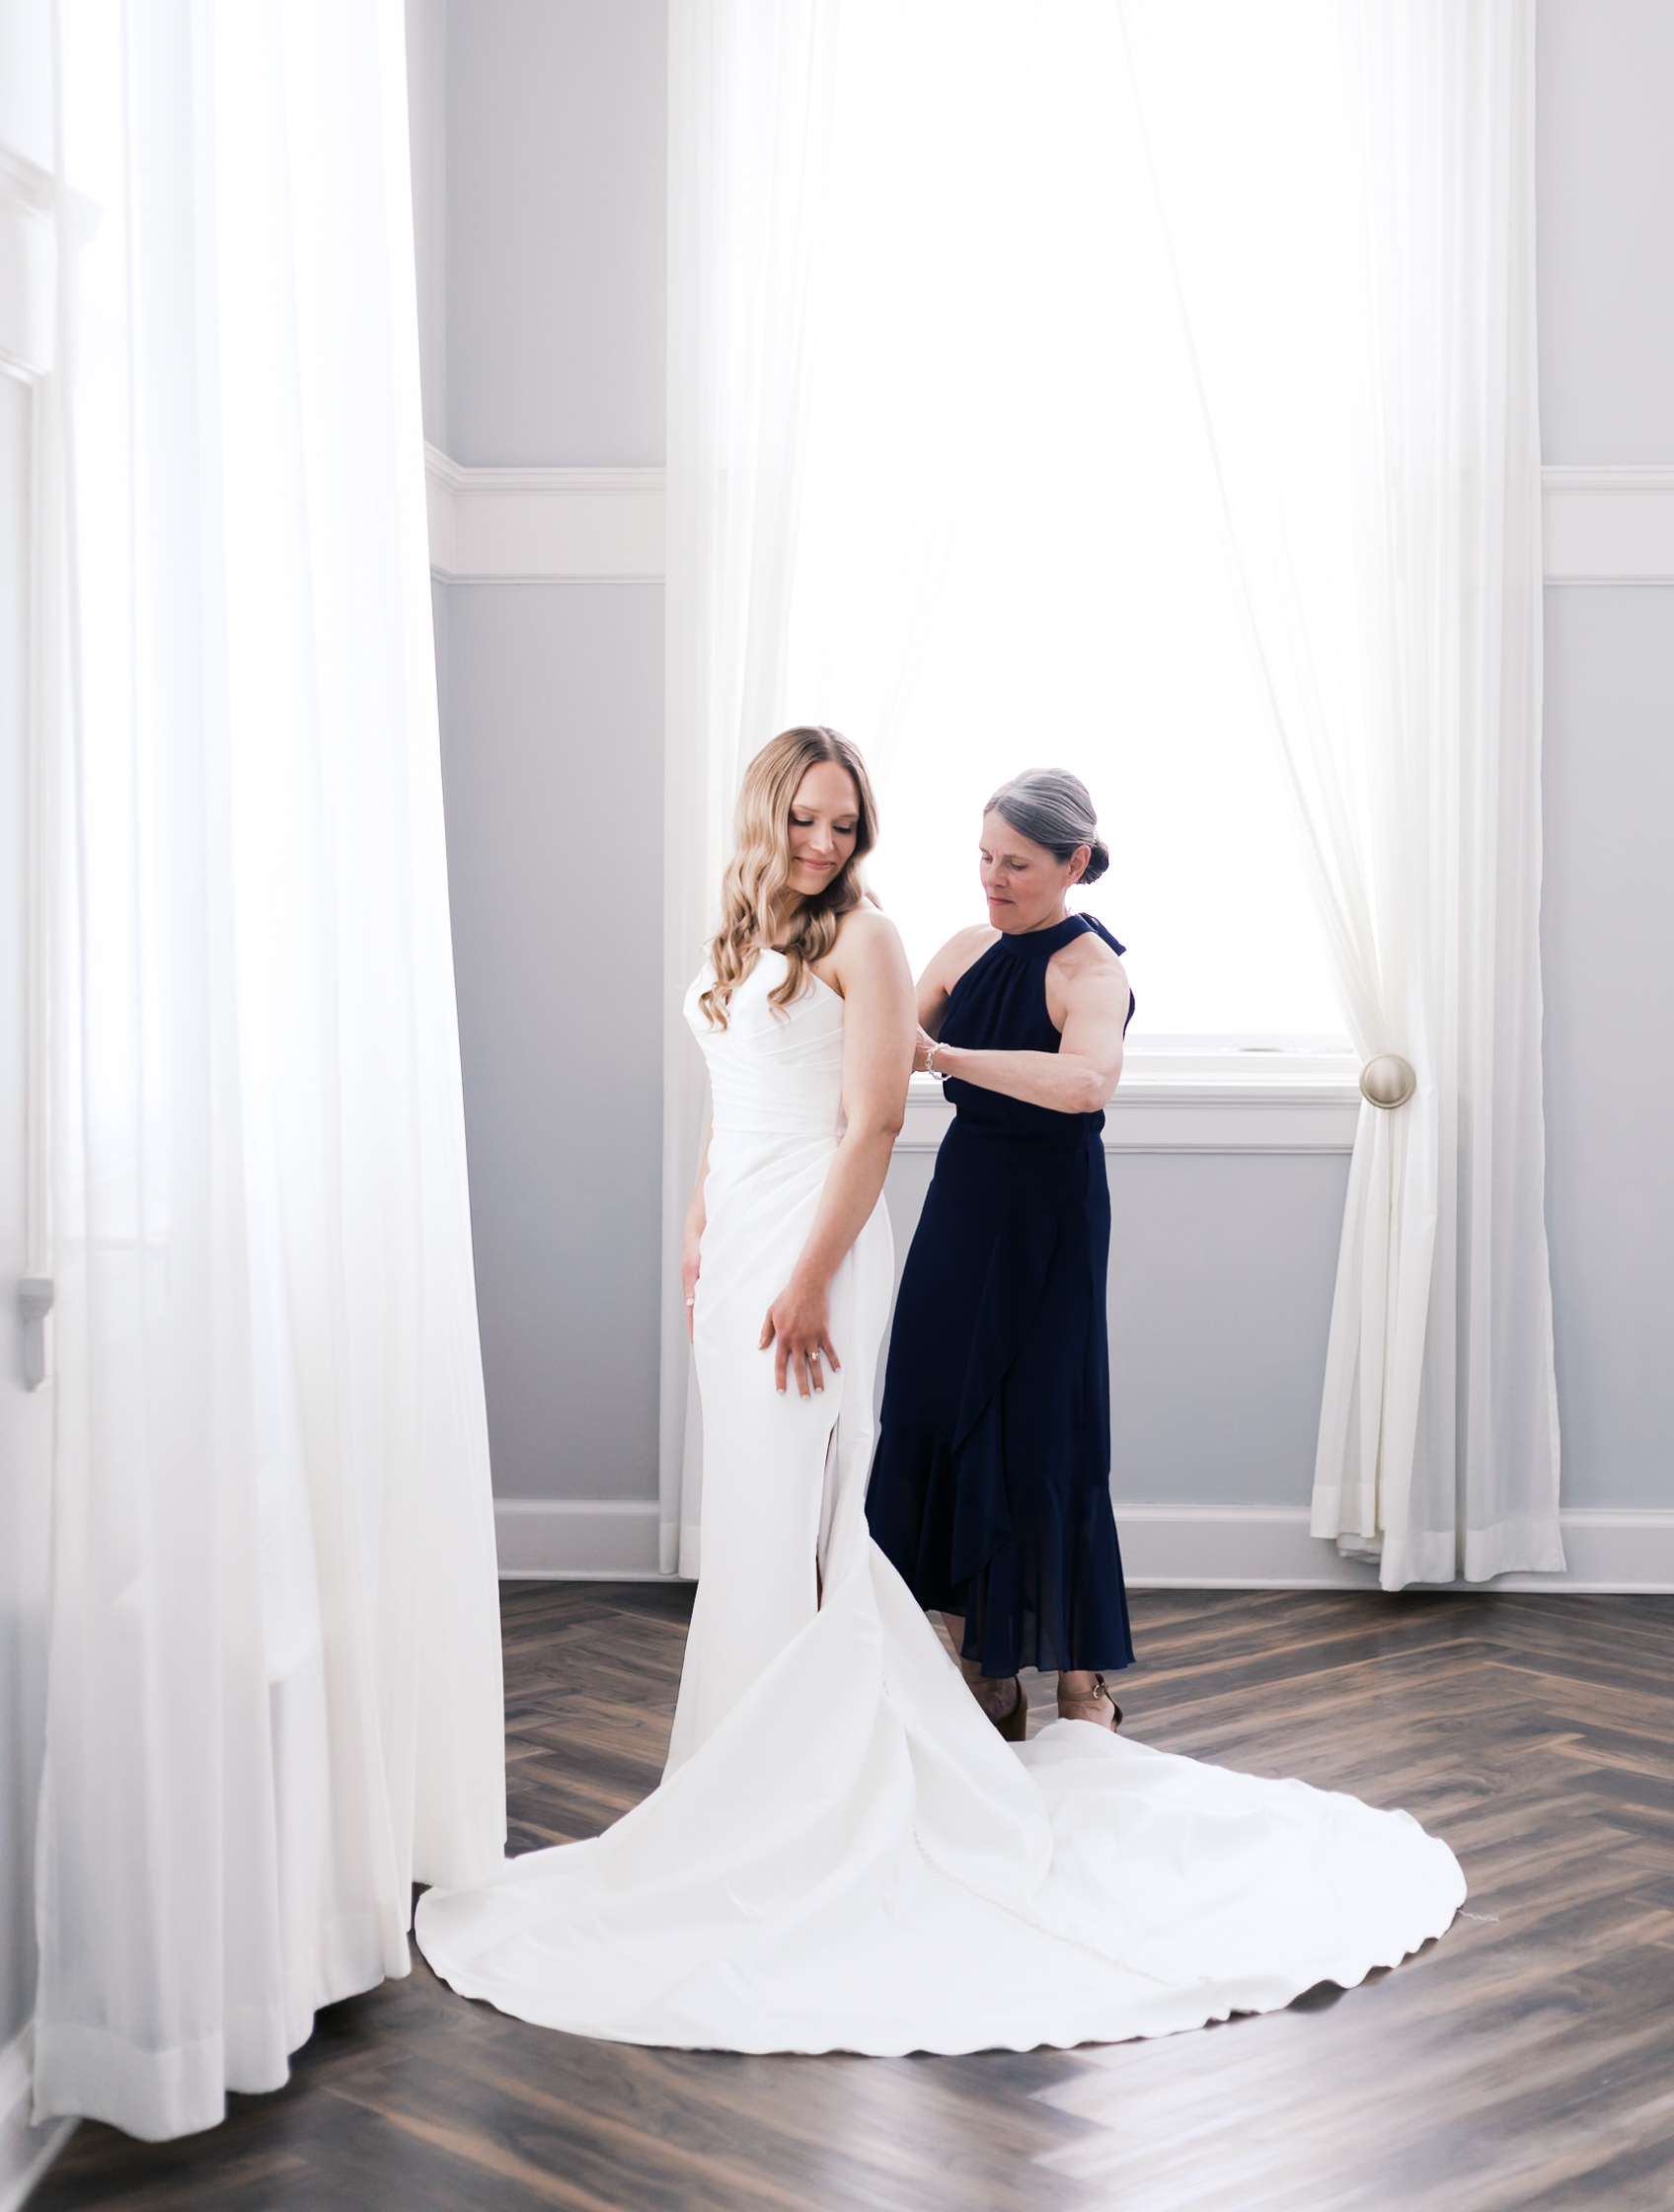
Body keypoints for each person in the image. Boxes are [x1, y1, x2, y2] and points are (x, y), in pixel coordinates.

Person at [416, 725, 1463, 2054]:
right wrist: (701, 1217)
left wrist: (814, 1261)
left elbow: (903, 1107)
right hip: (779, 1224)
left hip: (927, 1221)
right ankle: (787, 1753)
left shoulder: (982, 952)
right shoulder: (827, 941)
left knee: (993, 1449)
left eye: (846, 826)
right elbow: (763, 1088)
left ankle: (992, 1704)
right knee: (801, 1494)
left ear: (1071, 863)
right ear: (763, 815)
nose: (828, 844)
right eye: (806, 820)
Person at [867, 768, 1135, 1740]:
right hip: (962, 1198)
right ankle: (981, 1662)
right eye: (983, 857)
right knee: (935, 1408)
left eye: (1016, 864)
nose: (993, 878)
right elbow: (876, 1037)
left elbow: (1084, 1082)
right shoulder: (963, 947)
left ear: (1072, 863)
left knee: (1043, 1431)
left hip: (1050, 1215)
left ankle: (1078, 1677)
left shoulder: (1090, 971)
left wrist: (941, 1058)